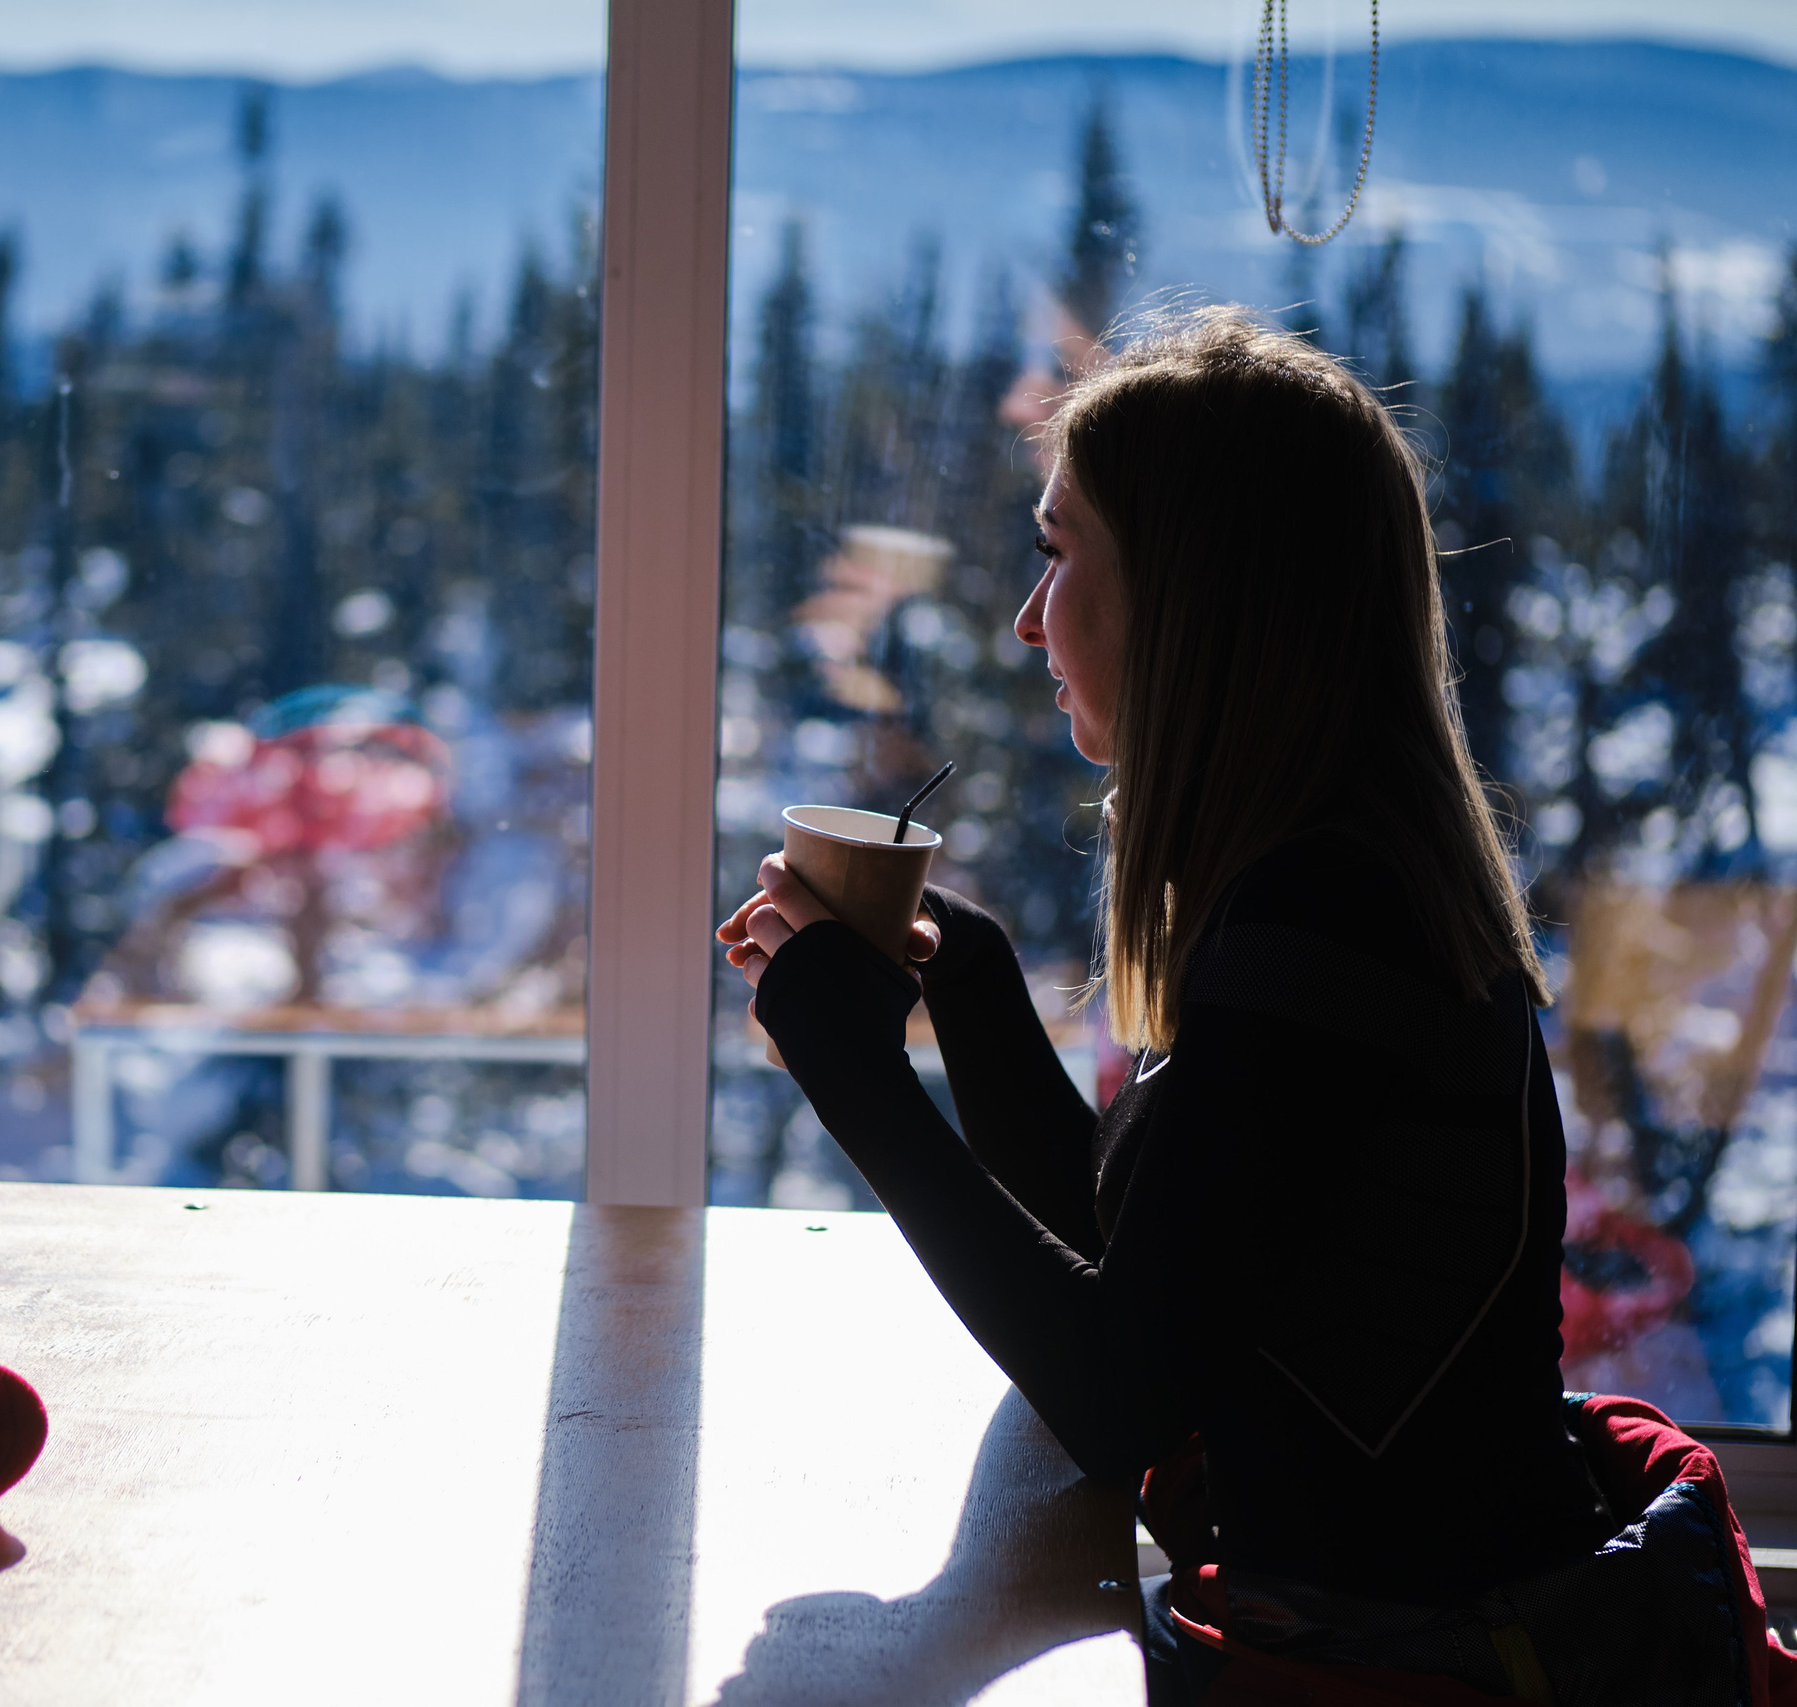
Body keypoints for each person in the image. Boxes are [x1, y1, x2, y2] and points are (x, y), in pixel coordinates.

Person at [715, 310, 1775, 1704]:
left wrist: (850, 1068)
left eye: (1057, 553)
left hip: (1415, 1674)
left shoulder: (1325, 927)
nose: (1028, 618)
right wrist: (963, 980)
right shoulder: (1337, 877)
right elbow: (1153, 1270)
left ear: (1191, 598)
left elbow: (1117, 1397)